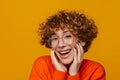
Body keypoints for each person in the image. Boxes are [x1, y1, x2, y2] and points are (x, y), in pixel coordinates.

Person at [30, 10, 106, 80]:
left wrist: (73, 74)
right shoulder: (42, 65)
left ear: (82, 40)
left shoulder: (95, 71)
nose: (60, 45)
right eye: (54, 38)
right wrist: (60, 72)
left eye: (68, 36)